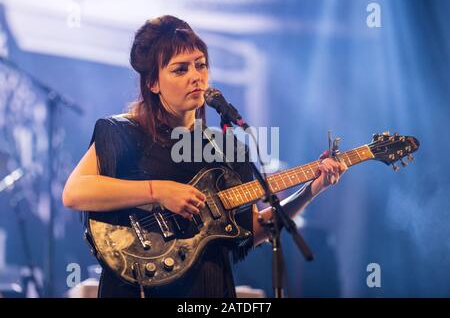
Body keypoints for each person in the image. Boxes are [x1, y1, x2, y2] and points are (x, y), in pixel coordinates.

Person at [62, 15, 347, 298]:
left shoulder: (229, 148)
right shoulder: (122, 132)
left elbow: (251, 229)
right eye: (180, 69)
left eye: (200, 65)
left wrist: (311, 190)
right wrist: (158, 191)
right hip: (138, 288)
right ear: (152, 83)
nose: (196, 76)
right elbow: (75, 193)